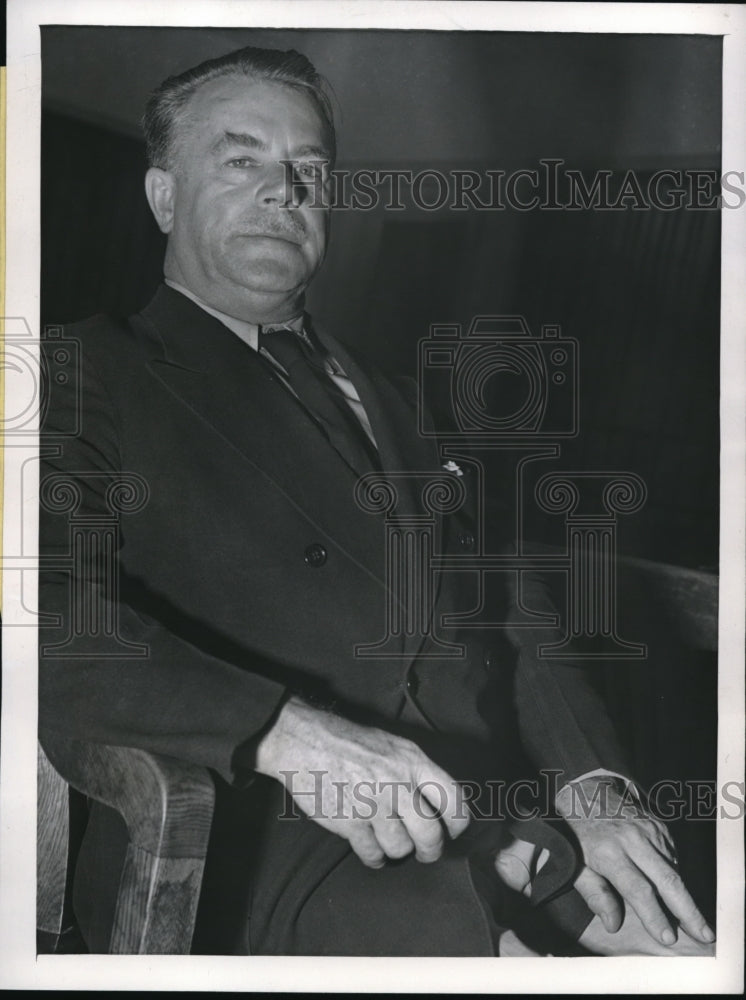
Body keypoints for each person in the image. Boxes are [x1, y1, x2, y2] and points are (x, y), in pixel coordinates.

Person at [39, 45, 715, 957]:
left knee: (700, 952)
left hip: (504, 830)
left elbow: (516, 614)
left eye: (309, 170)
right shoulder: (86, 370)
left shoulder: (404, 401)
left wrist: (593, 785)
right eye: (240, 160)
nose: (283, 191)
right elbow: (36, 612)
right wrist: (285, 733)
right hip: (263, 855)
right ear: (164, 196)